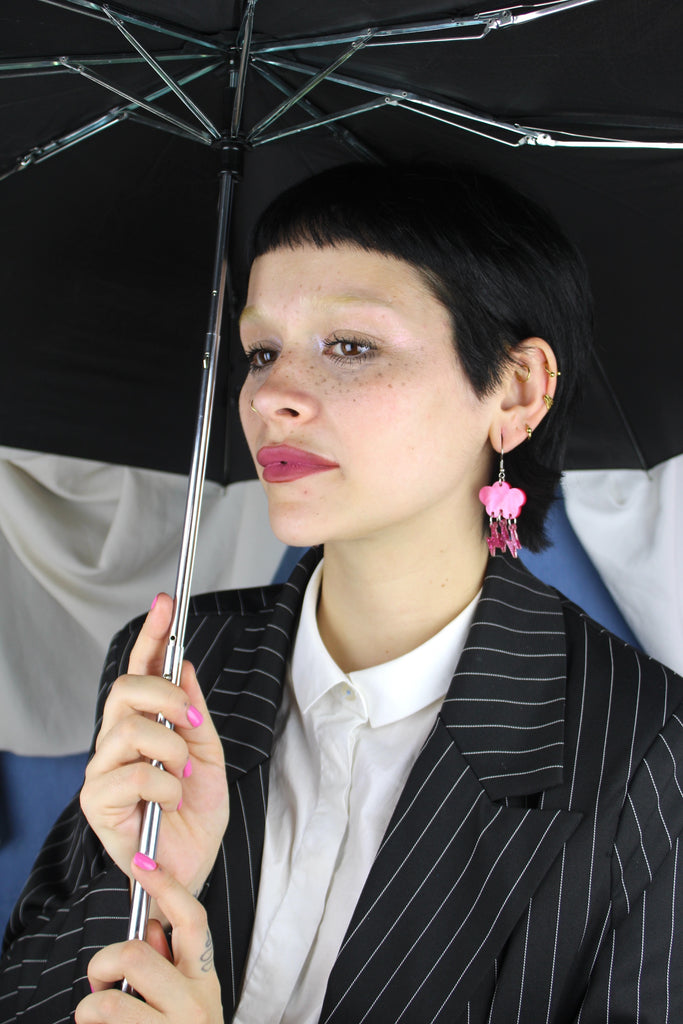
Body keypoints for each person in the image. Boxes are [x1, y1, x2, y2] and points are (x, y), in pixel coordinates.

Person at [2, 163, 682, 1024]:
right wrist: (150, 880)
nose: (274, 397)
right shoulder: (180, 662)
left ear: (514, 391)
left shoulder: (650, 758)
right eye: (262, 351)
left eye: (351, 346)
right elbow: (25, 986)